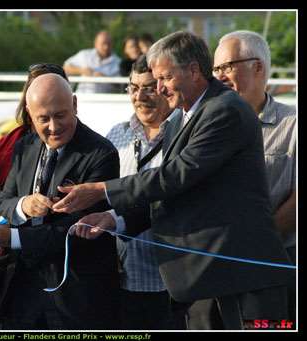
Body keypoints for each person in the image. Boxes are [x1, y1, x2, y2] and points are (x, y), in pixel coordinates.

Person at [53, 31, 292, 330]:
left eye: (164, 78)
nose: (160, 89)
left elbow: (176, 175)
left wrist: (102, 189)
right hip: (205, 279)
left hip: (245, 279)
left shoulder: (225, 109)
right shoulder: (182, 116)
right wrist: (114, 219)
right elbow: (171, 191)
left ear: (193, 70)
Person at [0, 73, 120, 330]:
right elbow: (2, 203)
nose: (53, 126)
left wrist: (11, 238)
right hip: (21, 294)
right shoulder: (24, 147)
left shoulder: (101, 153)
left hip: (74, 299)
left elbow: (77, 228)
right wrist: (23, 205)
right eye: (43, 118)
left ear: (75, 105)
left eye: (61, 115)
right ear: (30, 115)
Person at [213, 30, 297, 321]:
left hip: (273, 265)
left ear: (258, 66)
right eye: (216, 69)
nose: (219, 76)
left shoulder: (292, 125)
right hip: (211, 267)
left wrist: (258, 242)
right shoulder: (205, 126)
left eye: (227, 67)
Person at [106, 55, 184, 330]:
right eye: (133, 87)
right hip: (121, 280)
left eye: (149, 87)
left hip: (174, 283)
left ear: (165, 87)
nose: (140, 96)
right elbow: (102, 201)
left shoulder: (185, 136)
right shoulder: (116, 136)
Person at [0, 63, 69, 188]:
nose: (52, 126)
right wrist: (23, 204)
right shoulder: (9, 144)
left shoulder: (92, 149)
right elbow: (0, 200)